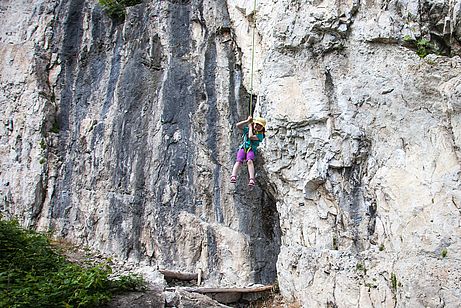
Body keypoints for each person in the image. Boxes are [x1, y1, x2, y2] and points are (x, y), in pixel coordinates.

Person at [230, 115, 266, 187]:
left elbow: (250, 137)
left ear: (262, 128)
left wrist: (250, 127)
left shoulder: (260, 135)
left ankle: (252, 179)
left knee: (249, 161)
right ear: (254, 124)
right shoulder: (249, 129)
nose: (258, 126)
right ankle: (233, 175)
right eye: (257, 124)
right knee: (239, 161)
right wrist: (247, 121)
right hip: (243, 148)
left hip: (251, 149)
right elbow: (238, 125)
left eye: (260, 126)